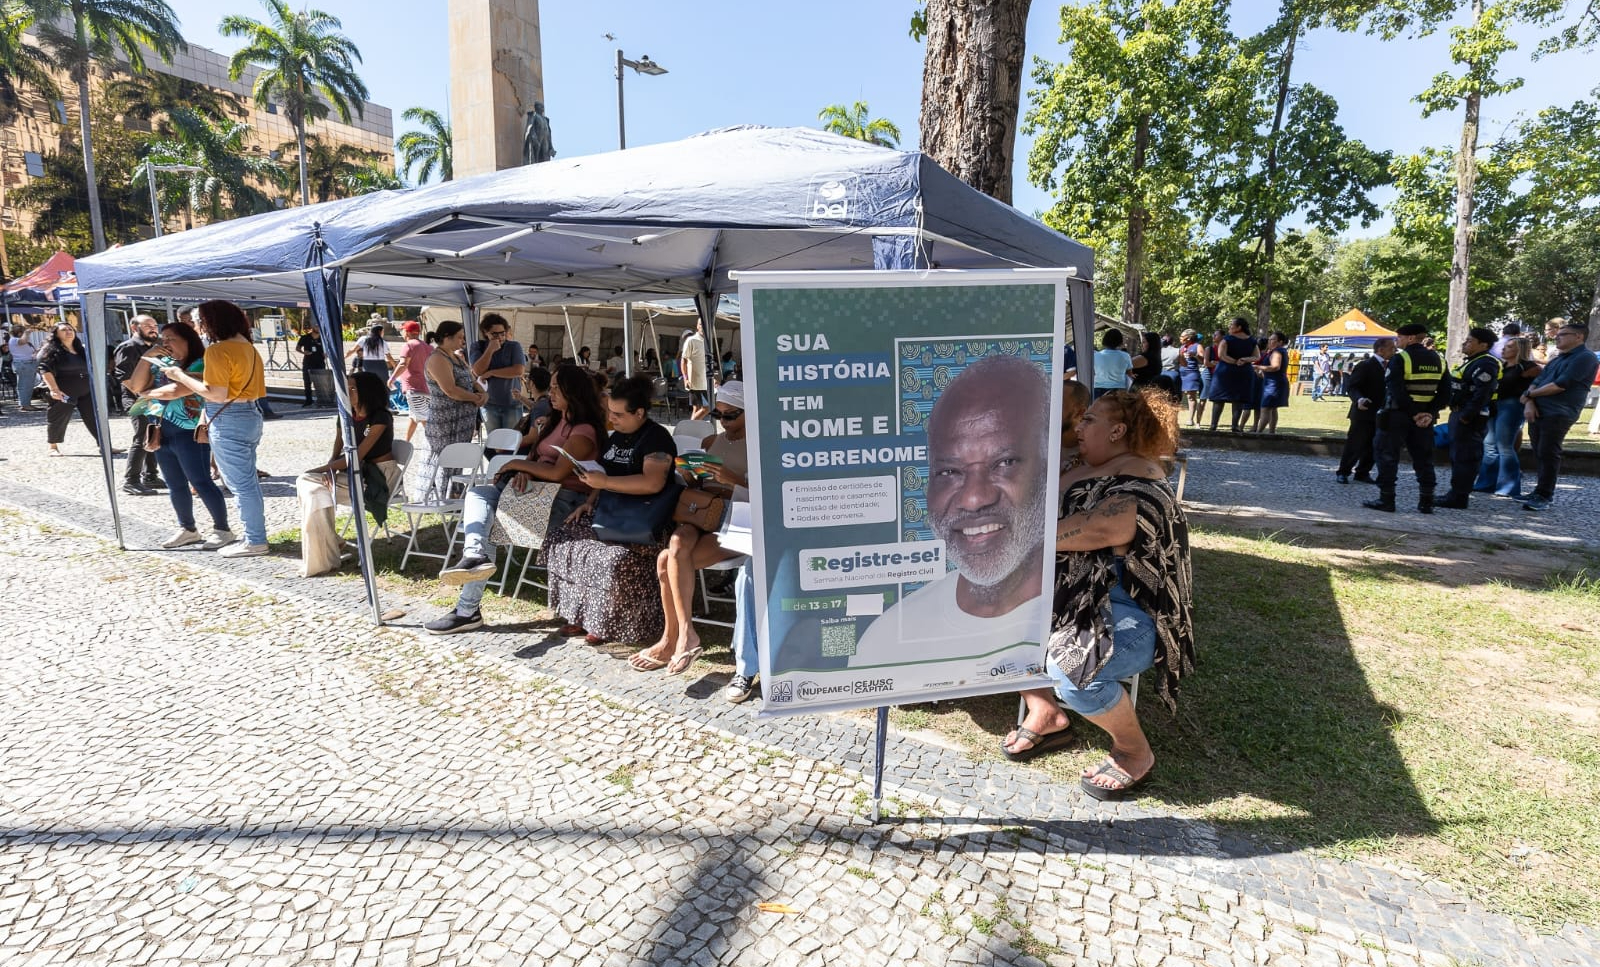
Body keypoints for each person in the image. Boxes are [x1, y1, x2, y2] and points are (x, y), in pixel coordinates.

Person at [1002, 388, 1195, 803]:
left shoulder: (1141, 480)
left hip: (1127, 611)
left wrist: (1017, 536)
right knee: (994, 622)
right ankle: (1045, 711)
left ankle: (1133, 751)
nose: (1079, 427)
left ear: (1118, 430)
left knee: (1072, 671)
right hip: (1072, 597)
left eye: (1089, 420)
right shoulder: (1093, 464)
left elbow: (1102, 529)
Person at [850, 356, 1051, 668]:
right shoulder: (885, 642)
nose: (973, 499)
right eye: (948, 472)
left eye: (1005, 463)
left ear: (1052, 467)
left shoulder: (1074, 620)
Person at [426, 365, 608, 634]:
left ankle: (467, 608)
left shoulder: (584, 430)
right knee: (479, 495)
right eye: (553, 386)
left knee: (486, 520)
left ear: (574, 392)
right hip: (536, 494)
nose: (552, 392)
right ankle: (474, 557)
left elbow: (558, 472)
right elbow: (537, 461)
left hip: (562, 501)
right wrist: (524, 471)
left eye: (558, 387)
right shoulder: (556, 420)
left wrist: (517, 464)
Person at [544, 374, 678, 646]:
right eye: (610, 413)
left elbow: (653, 483)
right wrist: (590, 500)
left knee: (612, 559)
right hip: (609, 512)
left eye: (618, 414)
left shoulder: (657, 438)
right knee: (562, 539)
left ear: (639, 412)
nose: (612, 419)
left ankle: (605, 620)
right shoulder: (617, 437)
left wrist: (605, 482)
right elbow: (604, 473)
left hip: (643, 523)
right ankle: (581, 614)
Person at [630, 380, 750, 674]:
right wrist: (689, 473)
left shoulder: (763, 444)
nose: (723, 421)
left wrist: (730, 477)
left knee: (664, 562)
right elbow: (698, 482)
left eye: (731, 415)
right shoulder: (711, 443)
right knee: (677, 542)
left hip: (739, 519)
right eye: (718, 415)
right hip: (703, 512)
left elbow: (770, 492)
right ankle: (684, 635)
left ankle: (674, 638)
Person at [162, 300, 269, 556]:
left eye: (199, 320)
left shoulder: (218, 350)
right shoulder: (247, 347)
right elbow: (230, 384)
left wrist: (180, 376)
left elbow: (216, 394)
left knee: (241, 485)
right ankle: (254, 537)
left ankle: (255, 540)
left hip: (229, 417)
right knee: (247, 482)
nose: (197, 325)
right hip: (249, 413)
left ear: (212, 322)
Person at [129, 321, 235, 550]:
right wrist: (147, 356)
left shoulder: (202, 363)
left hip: (189, 431)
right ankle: (187, 528)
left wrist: (147, 394)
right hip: (162, 430)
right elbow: (136, 385)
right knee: (174, 483)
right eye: (163, 339)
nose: (165, 343)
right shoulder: (163, 363)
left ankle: (222, 529)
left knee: (201, 481)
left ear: (187, 340)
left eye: (171, 339)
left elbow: (178, 390)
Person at [295, 371, 403, 577]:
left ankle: (329, 548)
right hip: (356, 472)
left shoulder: (380, 417)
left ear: (366, 392)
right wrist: (330, 469)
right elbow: (340, 447)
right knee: (316, 491)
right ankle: (330, 545)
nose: (349, 392)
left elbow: (356, 456)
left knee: (308, 482)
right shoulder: (345, 415)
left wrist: (321, 470)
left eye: (353, 388)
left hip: (380, 475)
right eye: (348, 388)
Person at [1363, 323, 1448, 515]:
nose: (1396, 341)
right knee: (1424, 459)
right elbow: (1445, 392)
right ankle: (1426, 502)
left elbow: (1396, 389)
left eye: (1399, 337)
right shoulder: (1439, 359)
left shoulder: (1401, 358)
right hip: (1425, 419)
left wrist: (1413, 412)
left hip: (1398, 416)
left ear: (1410, 338)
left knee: (1387, 456)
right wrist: (1429, 413)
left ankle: (1387, 499)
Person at [1519, 320, 1599, 512]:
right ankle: (1539, 490)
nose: (1557, 337)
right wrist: (1529, 401)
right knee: (1539, 450)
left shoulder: (1585, 358)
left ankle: (1545, 495)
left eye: (1563, 334)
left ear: (1578, 337)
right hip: (1539, 410)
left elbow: (1559, 385)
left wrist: (1529, 396)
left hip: (1559, 412)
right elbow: (1538, 380)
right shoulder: (1558, 358)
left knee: (1548, 452)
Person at [1434, 328, 1502, 510]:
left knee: (1466, 456)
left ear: (1483, 345)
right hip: (1460, 412)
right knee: (1458, 455)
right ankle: (1455, 493)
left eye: (1470, 341)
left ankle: (1459, 497)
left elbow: (1482, 394)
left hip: (1469, 417)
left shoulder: (1486, 364)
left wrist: (1466, 416)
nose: (1465, 343)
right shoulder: (1473, 362)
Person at [418, 320, 486, 501]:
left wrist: (482, 393)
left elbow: (471, 381)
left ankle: (454, 495)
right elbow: (450, 390)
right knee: (443, 459)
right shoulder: (437, 359)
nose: (463, 341)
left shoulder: (457, 357)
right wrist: (476, 398)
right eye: (459, 337)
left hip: (461, 422)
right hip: (445, 423)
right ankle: (438, 497)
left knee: (457, 459)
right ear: (446, 338)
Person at [1474, 337, 1540, 499]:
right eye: (1505, 346)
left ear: (1520, 349)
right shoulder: (1501, 365)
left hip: (1512, 405)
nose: (1504, 349)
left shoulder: (1529, 367)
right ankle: (1486, 483)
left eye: (1509, 347)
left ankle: (1508, 486)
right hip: (1495, 405)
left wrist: (1528, 400)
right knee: (1489, 444)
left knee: (1504, 446)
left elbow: (1536, 385)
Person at [113, 314, 166, 495]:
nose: (153, 328)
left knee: (154, 434)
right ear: (134, 328)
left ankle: (150, 475)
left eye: (154, 325)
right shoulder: (128, 347)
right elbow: (123, 376)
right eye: (148, 326)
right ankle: (131, 480)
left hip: (154, 397)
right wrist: (142, 394)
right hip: (137, 399)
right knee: (142, 436)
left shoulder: (154, 347)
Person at [1335, 338, 1395, 485]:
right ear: (1381, 350)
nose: (1395, 351)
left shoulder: (1392, 365)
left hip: (1382, 412)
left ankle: (1363, 471)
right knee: (1355, 443)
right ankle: (1344, 471)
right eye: (1391, 348)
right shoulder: (1366, 365)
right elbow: (1353, 386)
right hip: (1364, 411)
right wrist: (1359, 399)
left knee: (1374, 444)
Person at [38, 322, 101, 455]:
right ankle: (53, 447)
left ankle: (103, 445)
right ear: (56, 334)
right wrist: (53, 389)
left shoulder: (81, 350)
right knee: (58, 418)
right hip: (63, 391)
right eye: (64, 330)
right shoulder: (51, 350)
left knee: (94, 418)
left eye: (70, 329)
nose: (69, 331)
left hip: (86, 390)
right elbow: (45, 370)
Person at [468, 313, 527, 434]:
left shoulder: (514, 346)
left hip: (512, 404)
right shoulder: (477, 346)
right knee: (494, 443)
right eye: (495, 334)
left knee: (511, 443)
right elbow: (478, 371)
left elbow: (518, 370)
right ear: (485, 332)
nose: (500, 337)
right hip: (489, 405)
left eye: (502, 333)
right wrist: (490, 350)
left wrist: (491, 372)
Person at [1206, 317, 1260, 433]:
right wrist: (1244, 360)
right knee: (1238, 400)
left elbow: (1221, 355)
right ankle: (1234, 426)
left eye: (1232, 325)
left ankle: (1213, 425)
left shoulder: (1227, 339)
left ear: (1239, 327)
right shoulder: (1252, 341)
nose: (1229, 327)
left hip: (1225, 371)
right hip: (1243, 371)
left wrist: (1235, 361)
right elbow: (1257, 356)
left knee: (1219, 399)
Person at [393, 320, 433, 443]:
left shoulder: (409, 345)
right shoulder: (429, 347)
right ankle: (406, 442)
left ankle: (436, 443)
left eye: (403, 331)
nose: (402, 333)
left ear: (408, 332)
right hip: (427, 388)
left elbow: (403, 364)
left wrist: (392, 378)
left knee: (423, 418)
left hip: (414, 388)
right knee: (414, 417)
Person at [1252, 332, 1291, 435]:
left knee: (1265, 409)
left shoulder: (1277, 352)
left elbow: (1275, 367)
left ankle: (1258, 433)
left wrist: (1257, 367)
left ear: (1280, 342)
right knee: (1273, 409)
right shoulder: (1278, 351)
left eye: (1272, 339)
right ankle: (1271, 433)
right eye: (1269, 339)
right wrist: (1261, 373)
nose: (1269, 341)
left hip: (1274, 384)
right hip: (1272, 382)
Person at [1091, 329, 1133, 399]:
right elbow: (1129, 374)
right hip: (1119, 390)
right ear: (1120, 342)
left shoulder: (1096, 356)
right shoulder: (1126, 356)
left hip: (1098, 390)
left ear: (1105, 340)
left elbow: (1094, 373)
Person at [680, 323, 710, 420]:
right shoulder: (691, 340)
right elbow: (683, 360)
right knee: (707, 407)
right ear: (697, 326)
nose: (703, 327)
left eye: (704, 324)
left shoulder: (707, 341)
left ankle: (693, 431)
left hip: (706, 382)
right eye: (701, 324)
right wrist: (685, 378)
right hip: (695, 382)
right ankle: (690, 428)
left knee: (697, 409)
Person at [8, 324, 41, 410]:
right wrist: (26, 333)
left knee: (27, 385)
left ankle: (24, 404)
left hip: (28, 364)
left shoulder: (18, 340)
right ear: (19, 333)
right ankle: (25, 405)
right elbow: (23, 341)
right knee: (25, 385)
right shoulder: (14, 340)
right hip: (24, 364)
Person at [1176, 330, 1204, 426]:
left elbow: (1203, 360)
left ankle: (1190, 419)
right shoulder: (1182, 347)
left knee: (1191, 397)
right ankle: (1175, 419)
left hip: (1191, 373)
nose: (1180, 338)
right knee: (1178, 396)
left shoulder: (1197, 346)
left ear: (1188, 337)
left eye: (1182, 336)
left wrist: (1195, 355)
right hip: (1181, 373)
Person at [295, 325, 326, 406]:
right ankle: (308, 400)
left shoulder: (323, 338)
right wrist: (303, 352)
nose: (318, 329)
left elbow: (328, 349)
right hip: (308, 363)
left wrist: (326, 354)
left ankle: (321, 400)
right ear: (313, 328)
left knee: (320, 383)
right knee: (307, 382)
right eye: (316, 327)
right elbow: (297, 348)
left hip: (320, 363)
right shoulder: (305, 337)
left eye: (319, 327)